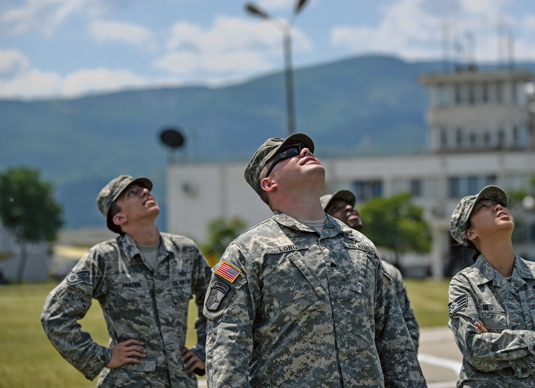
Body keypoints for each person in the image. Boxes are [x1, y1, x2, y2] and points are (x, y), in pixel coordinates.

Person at [203, 133, 427, 387]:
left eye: (306, 148)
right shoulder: (248, 251)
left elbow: (395, 343)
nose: (305, 152)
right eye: (289, 153)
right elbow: (228, 348)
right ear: (268, 183)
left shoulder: (361, 247)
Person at [41, 175, 211, 387]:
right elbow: (55, 315)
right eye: (132, 192)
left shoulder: (185, 251)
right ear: (119, 218)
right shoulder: (104, 258)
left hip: (181, 380)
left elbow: (218, 304)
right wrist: (101, 356)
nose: (145, 192)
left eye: (145, 189)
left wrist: (205, 351)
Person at [447, 185, 535, 387]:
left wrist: (500, 354)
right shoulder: (464, 284)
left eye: (498, 203)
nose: (497, 207)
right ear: (470, 233)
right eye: (484, 206)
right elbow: (476, 351)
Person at [320, 189, 420, 354]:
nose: (348, 208)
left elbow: (406, 323)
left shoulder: (388, 271)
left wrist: (404, 366)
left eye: (349, 205)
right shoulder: (321, 269)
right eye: (334, 208)